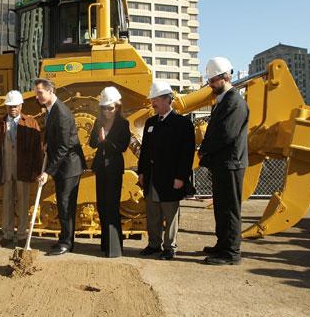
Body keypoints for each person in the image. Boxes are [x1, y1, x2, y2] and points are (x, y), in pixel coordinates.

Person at [198, 57, 249, 265]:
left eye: (212, 81)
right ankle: (223, 244)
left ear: (225, 78)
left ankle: (231, 253)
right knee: (221, 206)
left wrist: (205, 150)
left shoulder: (235, 102)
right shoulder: (223, 102)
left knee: (230, 209)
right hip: (224, 164)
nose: (210, 85)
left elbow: (226, 134)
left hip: (231, 163)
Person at [137, 82, 195, 260]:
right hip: (152, 177)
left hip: (171, 178)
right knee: (153, 213)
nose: (152, 103)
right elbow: (145, 150)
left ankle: (170, 247)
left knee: (170, 215)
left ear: (167, 100)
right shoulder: (150, 123)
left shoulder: (182, 124)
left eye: (155, 100)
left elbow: (187, 154)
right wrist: (141, 172)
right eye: (152, 100)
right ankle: (154, 244)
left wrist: (181, 177)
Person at [34, 78, 86, 255]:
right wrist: (47, 143)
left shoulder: (61, 113)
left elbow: (64, 147)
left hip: (69, 166)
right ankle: (65, 239)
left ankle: (66, 243)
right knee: (63, 204)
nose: (37, 96)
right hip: (63, 165)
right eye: (36, 93)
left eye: (40, 92)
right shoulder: (51, 110)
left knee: (65, 204)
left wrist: (48, 172)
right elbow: (56, 138)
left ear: (50, 91)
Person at [0, 90, 43, 248]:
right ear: (6, 107)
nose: (12, 108)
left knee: (23, 202)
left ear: (21, 105)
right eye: (10, 106)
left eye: (15, 105)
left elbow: (37, 150)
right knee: (7, 201)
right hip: (5, 168)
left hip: (23, 169)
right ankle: (7, 235)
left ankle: (21, 235)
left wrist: (37, 170)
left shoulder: (31, 122)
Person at [89, 87, 131, 258]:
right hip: (100, 168)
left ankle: (115, 249)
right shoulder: (98, 122)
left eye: (110, 108)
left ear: (117, 107)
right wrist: (98, 139)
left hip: (114, 168)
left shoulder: (123, 124)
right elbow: (92, 143)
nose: (107, 111)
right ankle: (105, 244)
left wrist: (104, 141)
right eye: (104, 108)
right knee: (102, 206)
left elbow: (122, 146)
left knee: (112, 206)